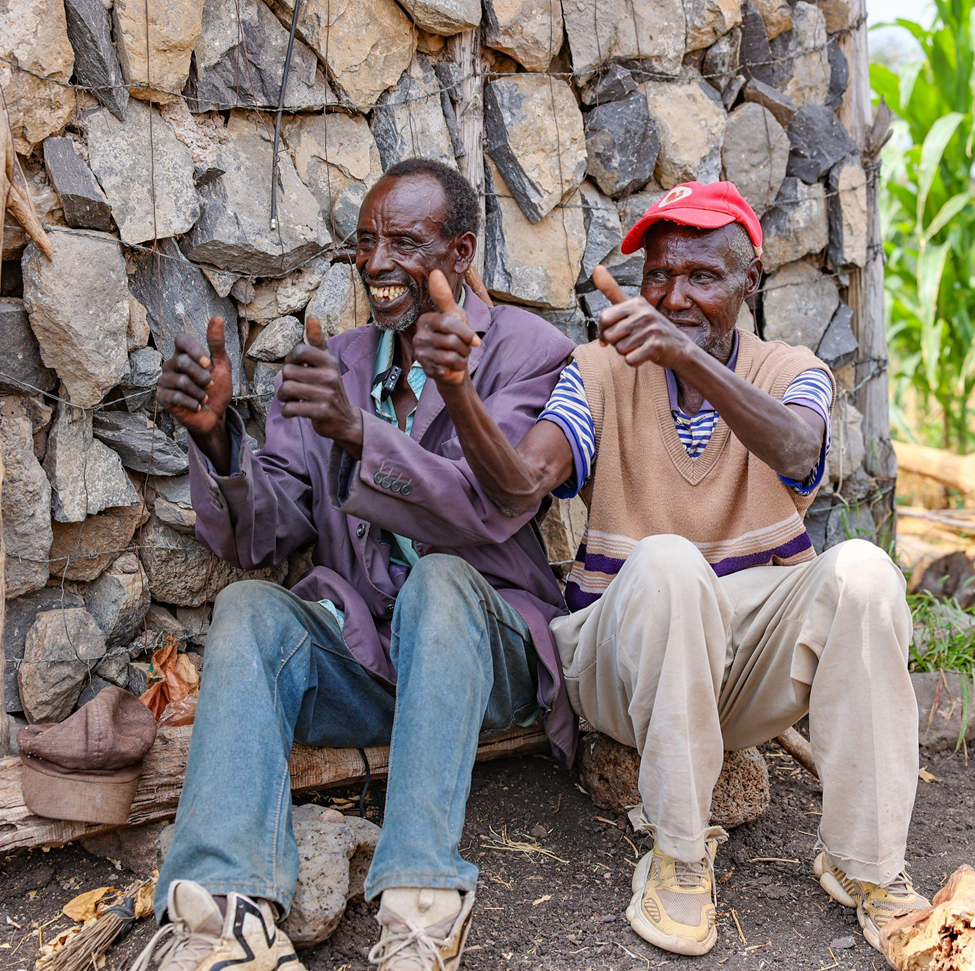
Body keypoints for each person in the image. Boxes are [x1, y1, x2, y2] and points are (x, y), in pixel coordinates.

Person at [412, 181, 930, 958]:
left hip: (745, 672)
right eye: (658, 276)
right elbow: (521, 483)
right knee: (666, 562)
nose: (672, 295)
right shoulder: (596, 369)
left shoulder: (792, 369)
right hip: (627, 668)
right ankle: (679, 856)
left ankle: (868, 866)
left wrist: (683, 354)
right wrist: (456, 391)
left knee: (864, 570)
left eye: (701, 277)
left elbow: (797, 453)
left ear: (748, 281)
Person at [136, 158, 577, 971]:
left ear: (459, 252)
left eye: (403, 242)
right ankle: (227, 917)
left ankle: (420, 907)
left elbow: (494, 505)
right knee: (249, 609)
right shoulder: (342, 359)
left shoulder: (528, 351)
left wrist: (359, 437)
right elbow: (260, 533)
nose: (376, 263)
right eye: (366, 242)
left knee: (443, 581)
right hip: (373, 657)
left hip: (489, 662)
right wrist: (218, 441)